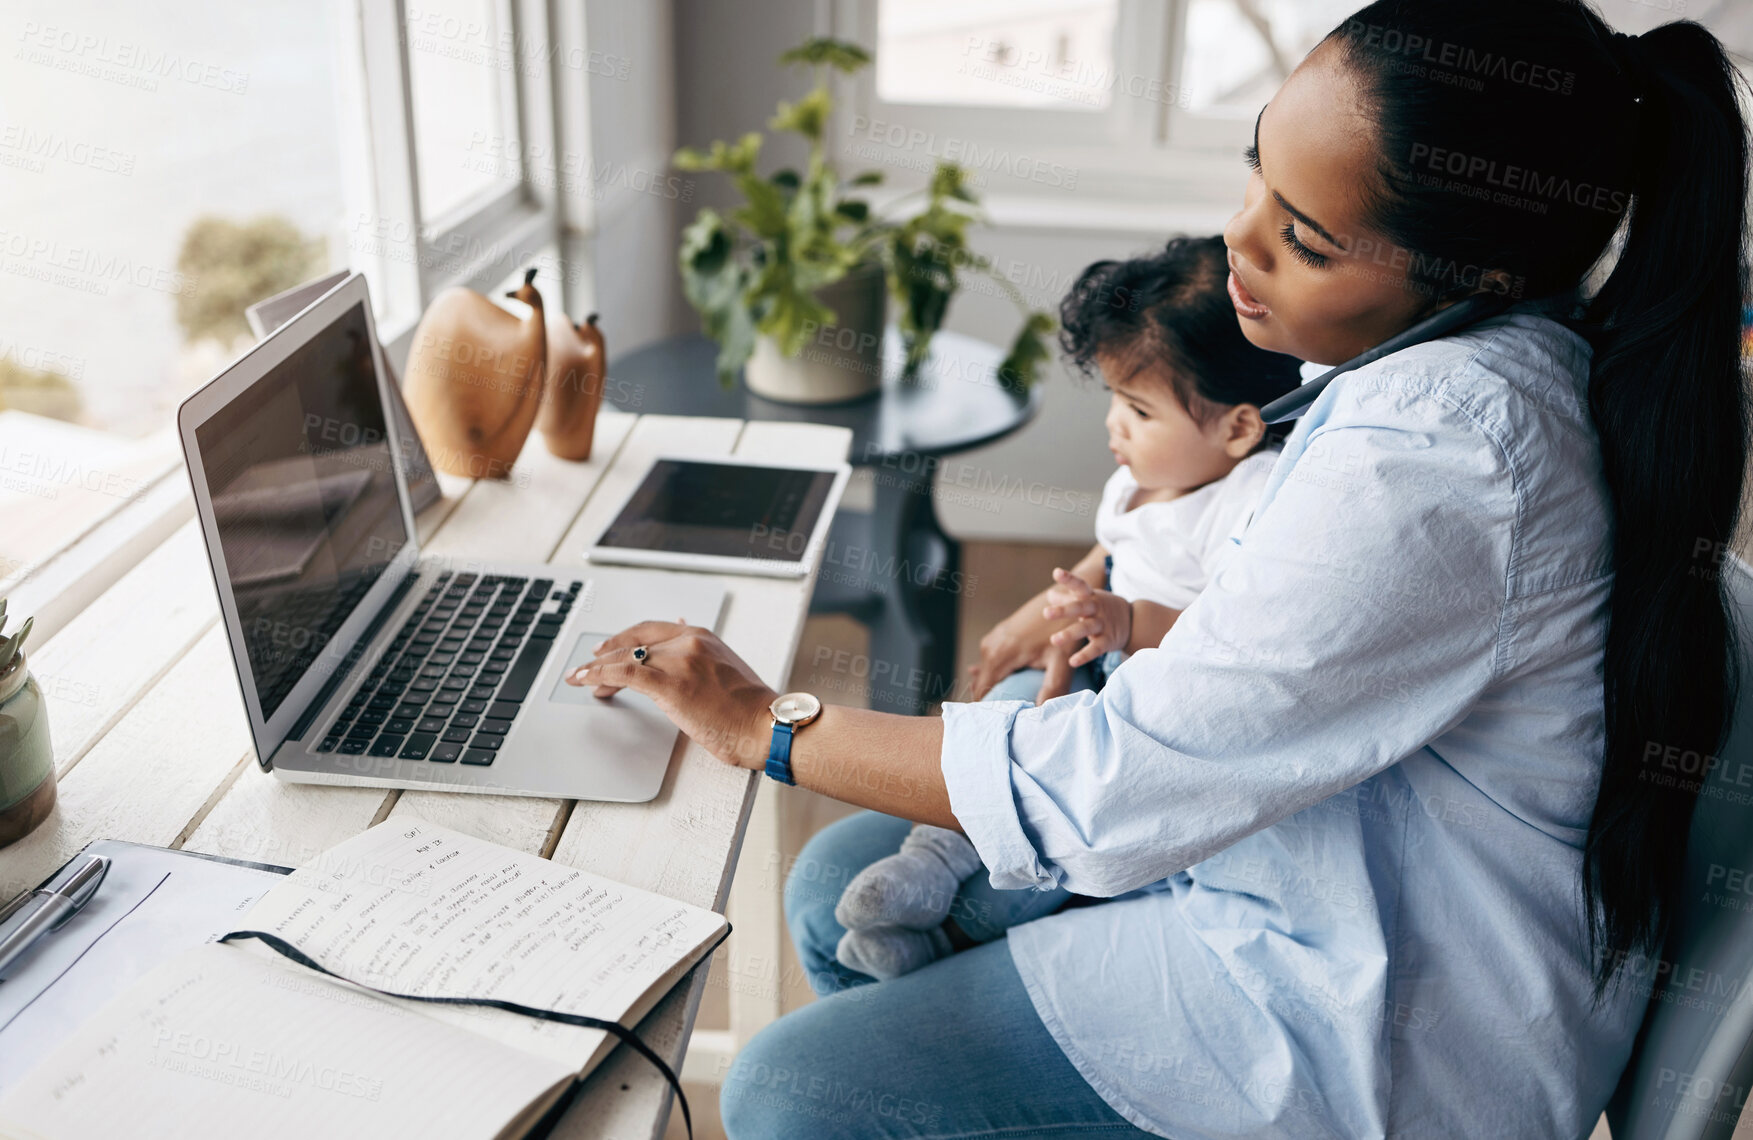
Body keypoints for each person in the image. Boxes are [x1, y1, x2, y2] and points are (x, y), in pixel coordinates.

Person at [566, 2, 1750, 1136]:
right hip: (1312, 862)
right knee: (840, 887)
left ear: (1471, 277)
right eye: (1257, 176)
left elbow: (1112, 788)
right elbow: (1272, 643)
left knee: (790, 1093)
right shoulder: (1432, 371)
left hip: (1387, 1022)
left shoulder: (1445, 456)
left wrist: (762, 722)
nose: (1237, 243)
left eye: (1306, 237)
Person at [831, 236, 1304, 982]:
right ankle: (923, 864)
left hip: (1145, 718)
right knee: (996, 732)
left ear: (1238, 428)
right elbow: (1114, 548)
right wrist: (1068, 599)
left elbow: (1228, 640)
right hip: (1088, 664)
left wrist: (1124, 621)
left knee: (1054, 843)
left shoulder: (1248, 499)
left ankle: (940, 940)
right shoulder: (1148, 476)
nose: (1114, 425)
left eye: (1139, 410)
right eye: (1116, 400)